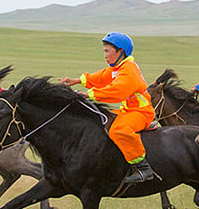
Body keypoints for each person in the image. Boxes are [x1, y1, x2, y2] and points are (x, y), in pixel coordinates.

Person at [58, 32, 156, 184]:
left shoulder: (129, 70)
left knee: (119, 130)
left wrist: (88, 95)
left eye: (107, 51)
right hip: (127, 110)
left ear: (121, 52)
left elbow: (118, 90)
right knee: (98, 119)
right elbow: (101, 76)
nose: (104, 55)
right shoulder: (118, 67)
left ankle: (143, 168)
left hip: (141, 112)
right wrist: (77, 80)